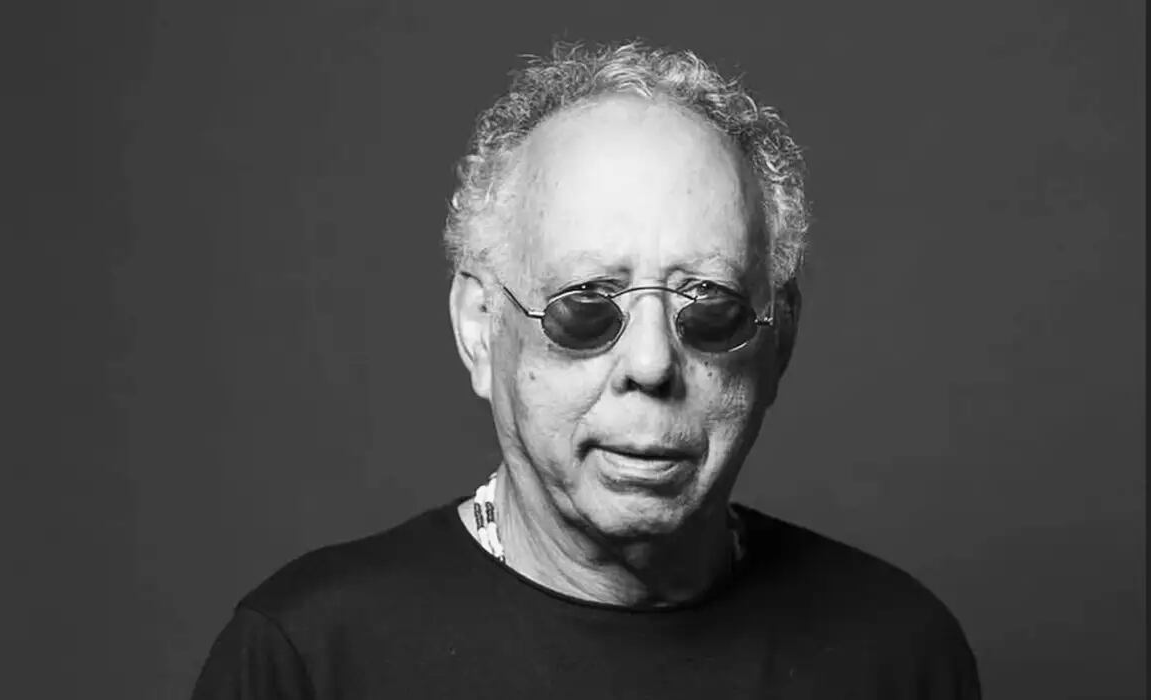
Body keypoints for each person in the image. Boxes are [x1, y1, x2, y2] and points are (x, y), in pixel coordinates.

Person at [192, 40, 981, 699]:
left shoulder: (900, 657)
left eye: (709, 307)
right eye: (586, 307)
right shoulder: (306, 661)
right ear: (479, 328)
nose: (651, 363)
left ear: (780, 342)